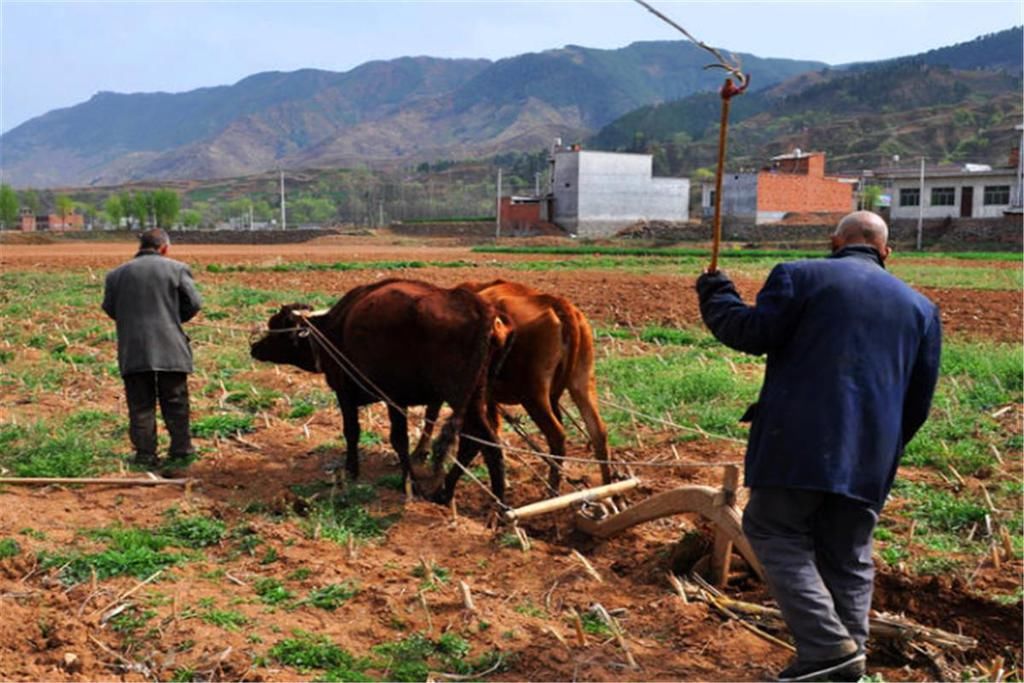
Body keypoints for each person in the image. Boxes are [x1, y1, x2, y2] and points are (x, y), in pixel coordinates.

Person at [695, 211, 941, 682]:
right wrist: (880, 446)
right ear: (887, 252)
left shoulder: (799, 276)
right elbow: (918, 402)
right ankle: (847, 663)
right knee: (848, 558)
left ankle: (828, 650)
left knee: (773, 531)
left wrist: (715, 290)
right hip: (871, 457)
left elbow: (749, 333)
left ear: (835, 241)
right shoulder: (921, 308)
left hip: (796, 445)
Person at [102, 228, 202, 470]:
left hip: (133, 349)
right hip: (171, 347)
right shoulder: (177, 269)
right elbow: (194, 304)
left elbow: (110, 308)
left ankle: (145, 456)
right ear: (164, 248)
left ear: (139, 247)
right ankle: (181, 450)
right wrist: (172, 318)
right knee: (176, 401)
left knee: (140, 405)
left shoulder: (115, 275)